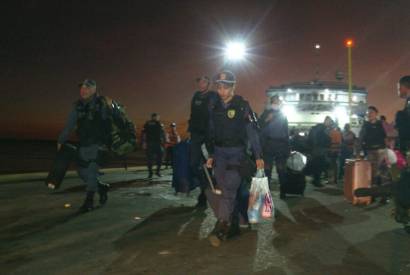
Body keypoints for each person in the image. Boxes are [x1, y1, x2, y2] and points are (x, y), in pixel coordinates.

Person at [205, 70, 264, 247]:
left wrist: (258, 155)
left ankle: (222, 224)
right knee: (224, 189)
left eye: (225, 87)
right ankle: (235, 223)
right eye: (219, 86)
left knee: (229, 189)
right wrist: (211, 155)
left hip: (237, 154)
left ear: (233, 87)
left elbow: (251, 132)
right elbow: (211, 133)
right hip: (220, 153)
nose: (221, 90)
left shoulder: (242, 106)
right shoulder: (214, 107)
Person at [56, 79, 111, 212]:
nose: (83, 90)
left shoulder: (101, 103)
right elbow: (69, 125)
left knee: (91, 172)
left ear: (94, 90)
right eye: (82, 88)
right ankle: (101, 187)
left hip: (99, 144)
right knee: (81, 172)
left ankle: (89, 202)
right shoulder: (78, 105)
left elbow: (109, 124)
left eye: (87, 88)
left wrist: (107, 144)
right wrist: (61, 140)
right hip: (83, 144)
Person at [188, 76, 217, 208]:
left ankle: (204, 195)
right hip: (195, 134)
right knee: (194, 164)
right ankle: (205, 186)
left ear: (208, 84)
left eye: (204, 82)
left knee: (208, 164)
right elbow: (193, 114)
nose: (201, 84)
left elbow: (216, 114)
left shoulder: (213, 96)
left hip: (208, 136)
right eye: (199, 82)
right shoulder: (195, 96)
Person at [259, 95, 289, 198]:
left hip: (281, 145)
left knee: (282, 170)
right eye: (274, 102)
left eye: (278, 102)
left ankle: (283, 191)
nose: (276, 104)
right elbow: (259, 127)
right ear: (271, 103)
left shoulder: (283, 115)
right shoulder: (265, 114)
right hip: (268, 145)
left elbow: (286, 132)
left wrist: (287, 148)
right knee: (267, 170)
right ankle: (267, 193)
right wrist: (267, 119)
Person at [358, 106, 387, 187]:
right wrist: (358, 151)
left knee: (380, 171)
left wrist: (387, 149)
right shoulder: (365, 125)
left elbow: (385, 137)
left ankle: (380, 190)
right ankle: (373, 191)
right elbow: (361, 138)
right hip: (370, 150)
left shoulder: (380, 124)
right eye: (368, 113)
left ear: (376, 114)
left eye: (371, 112)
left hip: (381, 150)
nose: (369, 114)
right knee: (372, 171)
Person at [306, 116, 332, 187]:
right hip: (319, 150)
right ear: (326, 121)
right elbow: (323, 139)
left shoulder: (317, 128)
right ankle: (316, 181)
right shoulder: (322, 128)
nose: (330, 124)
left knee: (316, 165)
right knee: (319, 165)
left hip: (316, 149)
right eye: (329, 122)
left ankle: (315, 180)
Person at [142, 113, 165, 178]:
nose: (158, 118)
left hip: (151, 143)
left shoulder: (147, 123)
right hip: (156, 143)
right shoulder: (158, 123)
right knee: (159, 158)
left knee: (150, 159)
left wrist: (144, 142)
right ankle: (156, 172)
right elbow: (162, 134)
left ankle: (151, 173)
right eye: (157, 117)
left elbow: (144, 133)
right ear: (155, 117)